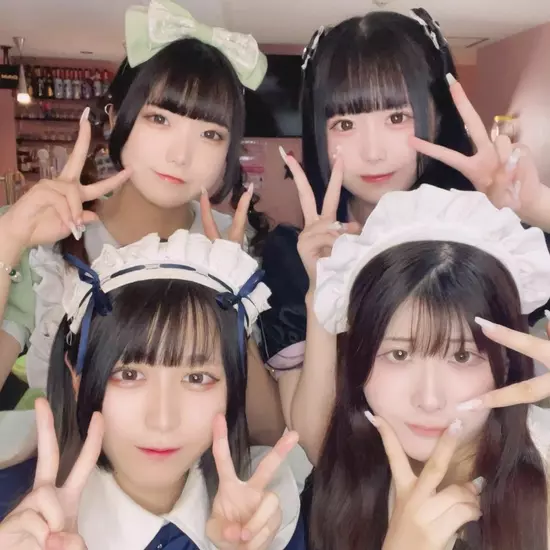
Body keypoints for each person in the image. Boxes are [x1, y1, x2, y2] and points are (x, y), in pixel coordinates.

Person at [265, 8, 550, 459]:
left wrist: (534, 206)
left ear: (435, 114)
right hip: (359, 495)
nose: (373, 151)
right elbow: (316, 445)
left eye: (397, 117)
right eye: (344, 124)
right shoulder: (294, 255)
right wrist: (322, 288)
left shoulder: (491, 234)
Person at [0, 0, 284, 446]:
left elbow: (266, 432)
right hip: (60, 477)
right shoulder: (43, 242)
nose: (180, 155)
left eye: (210, 133)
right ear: (116, 118)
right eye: (159, 119)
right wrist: (10, 239)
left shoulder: (243, 248)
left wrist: (228, 296)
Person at [0, 170, 305, 549]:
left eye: (197, 378)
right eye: (129, 374)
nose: (162, 420)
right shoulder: (13, 515)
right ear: (76, 375)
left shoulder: (268, 514)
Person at [303, 184, 550, 550]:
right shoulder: (343, 475)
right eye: (399, 355)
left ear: (507, 362)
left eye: (462, 356)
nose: (429, 399)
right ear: (357, 354)